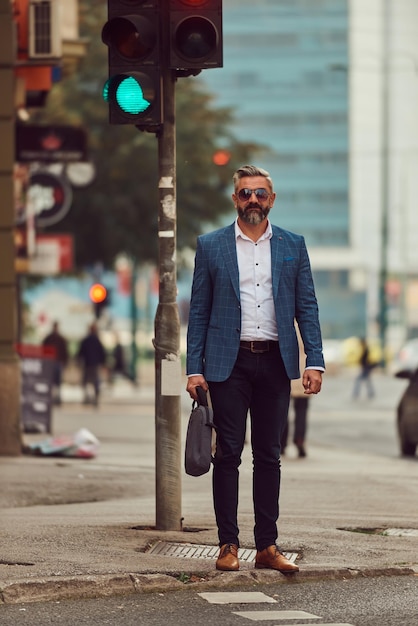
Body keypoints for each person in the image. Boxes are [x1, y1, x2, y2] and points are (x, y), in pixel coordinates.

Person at [186, 164, 325, 573]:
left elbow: (307, 306)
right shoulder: (211, 246)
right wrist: (195, 368)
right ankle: (228, 544)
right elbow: (199, 311)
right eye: (245, 193)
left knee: (269, 455)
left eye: (260, 193)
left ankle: (267, 547)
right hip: (229, 363)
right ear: (235, 199)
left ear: (272, 199)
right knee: (228, 454)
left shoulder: (291, 245)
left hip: (276, 360)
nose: (252, 200)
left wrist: (313, 359)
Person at [281, 326, 310, 458]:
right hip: (304, 372)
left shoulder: (285, 322)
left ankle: (282, 442)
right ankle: (299, 439)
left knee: (282, 409)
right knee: (302, 410)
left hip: (288, 371)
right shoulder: (305, 324)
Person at [77, 323, 106, 406]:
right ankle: (94, 399)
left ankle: (87, 398)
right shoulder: (97, 340)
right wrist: (102, 363)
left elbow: (80, 352)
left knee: (86, 381)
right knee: (95, 382)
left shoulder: (86, 340)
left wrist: (79, 361)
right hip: (94, 364)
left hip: (87, 364)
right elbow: (102, 353)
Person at [42, 321, 69, 405]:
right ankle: (54, 398)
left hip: (56, 362)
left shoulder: (53, 338)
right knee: (53, 382)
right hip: (52, 362)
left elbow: (65, 352)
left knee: (55, 382)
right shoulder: (52, 338)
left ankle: (55, 398)